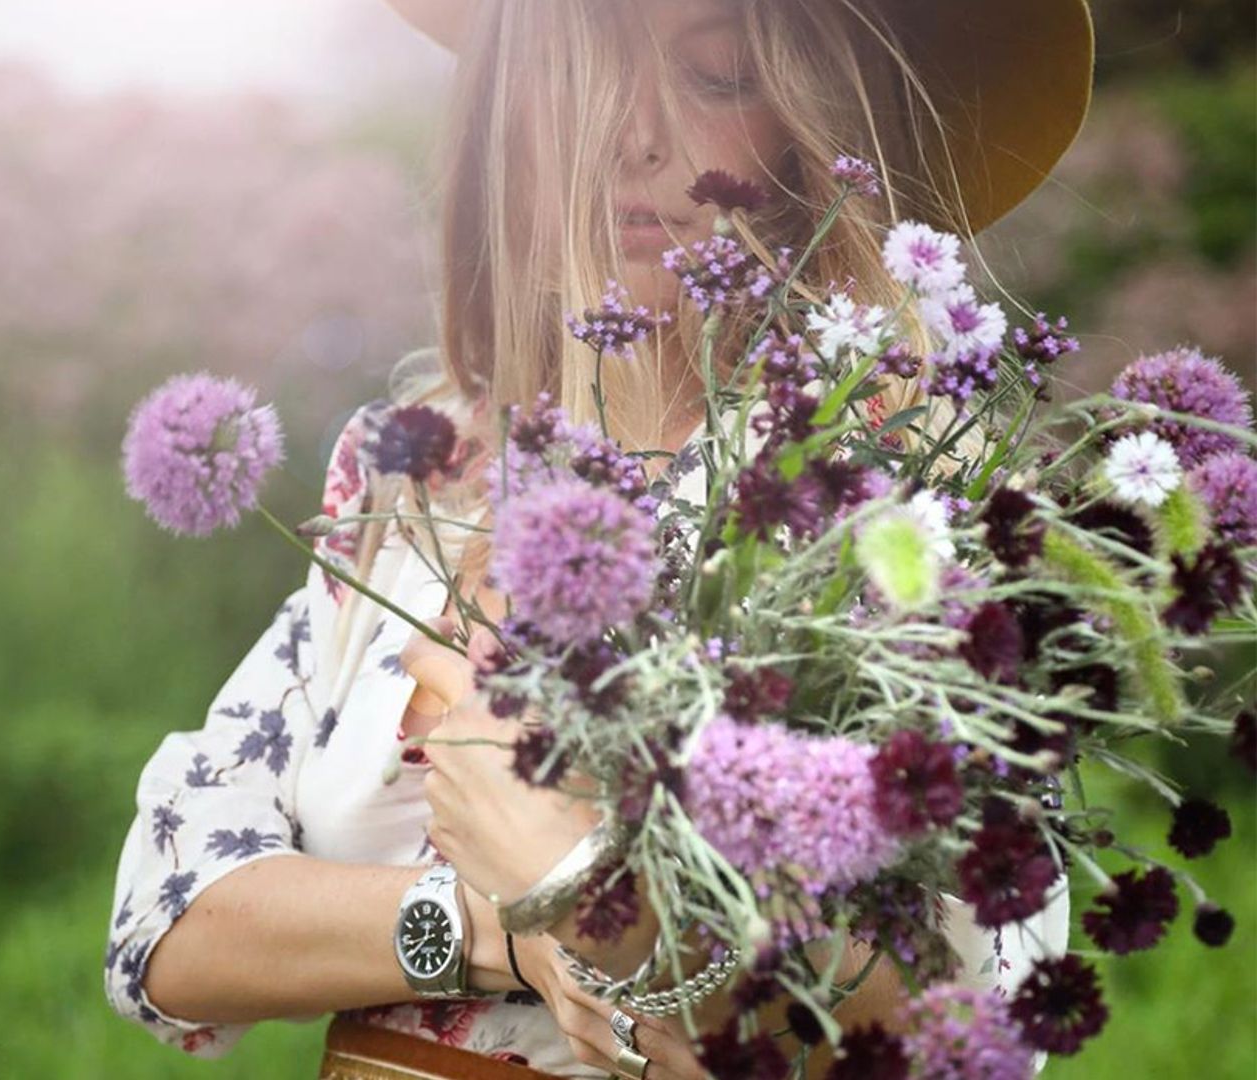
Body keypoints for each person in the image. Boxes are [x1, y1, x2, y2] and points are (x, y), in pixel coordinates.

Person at [104, 1, 1091, 1076]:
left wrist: (612, 910)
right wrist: (503, 929)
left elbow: (972, 991)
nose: (633, 136)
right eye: (576, 77)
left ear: (822, 131)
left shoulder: (904, 502)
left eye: (719, 79)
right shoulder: (415, 471)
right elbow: (168, 921)